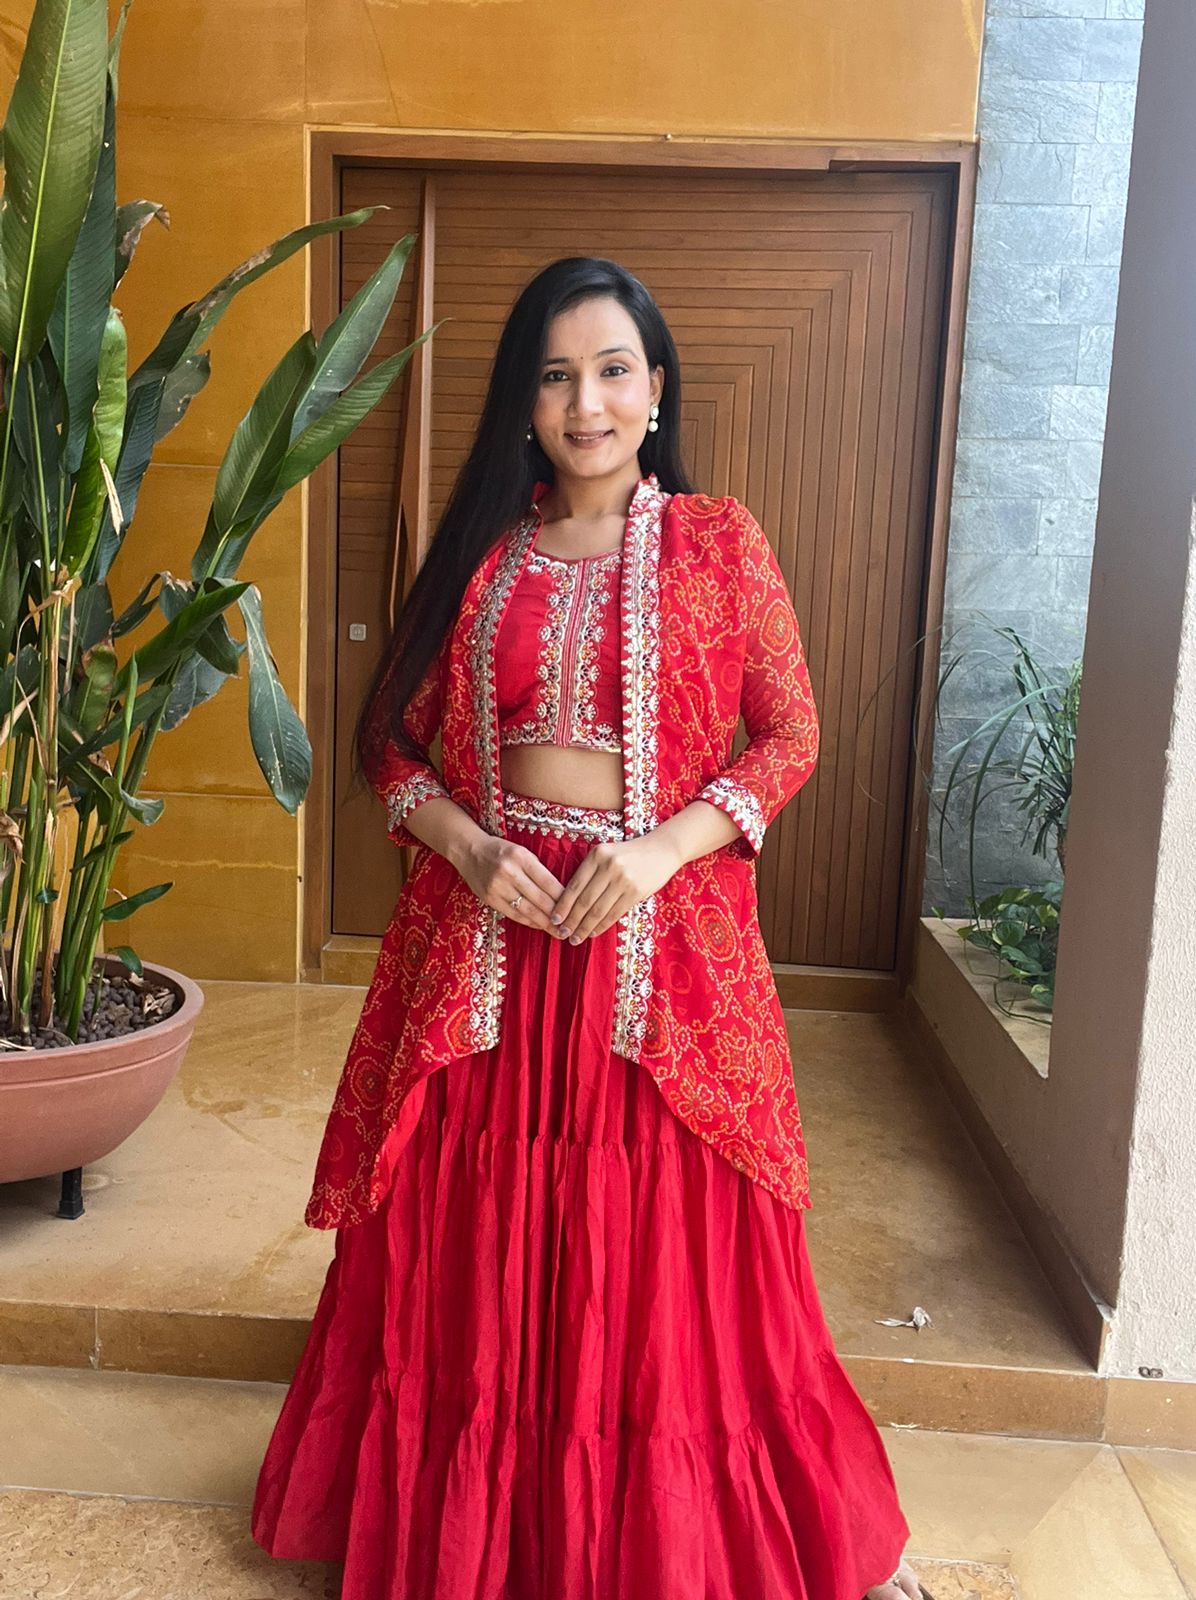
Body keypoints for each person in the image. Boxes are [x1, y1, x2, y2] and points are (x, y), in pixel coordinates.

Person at [251, 256, 931, 1600]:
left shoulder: (718, 545)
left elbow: (792, 734)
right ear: (524, 401)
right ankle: (479, 1537)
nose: (586, 404)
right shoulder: (479, 555)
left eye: (613, 370)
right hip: (493, 954)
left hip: (655, 958)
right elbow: (389, 746)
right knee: (484, 1241)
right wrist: (469, 847)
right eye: (557, 376)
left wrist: (662, 851)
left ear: (656, 387)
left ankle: (652, 1540)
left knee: (654, 1258)